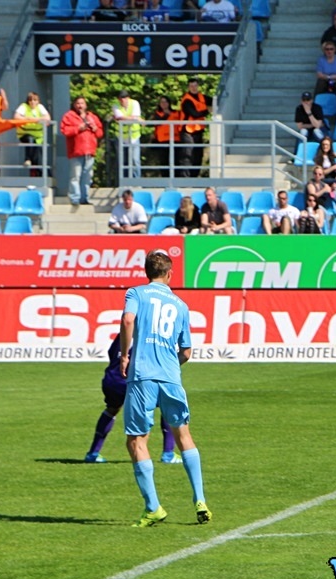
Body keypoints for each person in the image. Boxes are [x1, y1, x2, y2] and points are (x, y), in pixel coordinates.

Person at [120, 249, 210, 527]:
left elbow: (127, 320)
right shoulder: (180, 304)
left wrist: (125, 355)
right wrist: (170, 366)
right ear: (170, 274)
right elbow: (187, 351)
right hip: (171, 376)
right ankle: (200, 499)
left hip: (143, 374)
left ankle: (153, 508)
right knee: (183, 435)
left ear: (146, 272)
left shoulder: (136, 293)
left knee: (136, 440)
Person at [84, 333, 181, 464]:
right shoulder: (150, 335)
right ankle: (168, 454)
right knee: (168, 406)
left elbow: (111, 352)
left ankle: (93, 453)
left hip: (112, 379)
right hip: (134, 381)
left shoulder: (123, 334)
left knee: (112, 409)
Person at [60, 96, 103, 206]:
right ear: (74, 105)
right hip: (76, 151)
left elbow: (100, 133)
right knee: (75, 176)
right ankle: (75, 198)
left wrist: (95, 129)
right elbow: (64, 131)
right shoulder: (69, 116)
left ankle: (84, 198)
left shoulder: (92, 117)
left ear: (86, 105)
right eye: (78, 103)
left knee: (87, 177)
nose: (80, 106)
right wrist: (78, 128)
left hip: (90, 151)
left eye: (82, 103)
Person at [179, 78, 211, 178]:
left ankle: (195, 177)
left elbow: (214, 100)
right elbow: (195, 114)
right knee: (187, 155)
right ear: (188, 87)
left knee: (198, 155)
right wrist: (208, 110)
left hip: (198, 130)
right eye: (191, 86)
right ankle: (186, 178)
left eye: (195, 86)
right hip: (187, 131)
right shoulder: (186, 99)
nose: (193, 88)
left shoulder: (202, 97)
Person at [13, 92, 50, 177]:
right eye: (31, 100)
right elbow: (16, 117)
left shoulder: (40, 107)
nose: (33, 102)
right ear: (28, 101)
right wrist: (27, 119)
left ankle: (39, 174)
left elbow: (48, 118)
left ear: (38, 101)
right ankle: (27, 159)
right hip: (24, 133)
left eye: (35, 100)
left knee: (38, 156)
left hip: (38, 136)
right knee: (30, 140)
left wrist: (35, 119)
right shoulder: (23, 106)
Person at [113, 90, 142, 179]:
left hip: (134, 136)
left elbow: (133, 117)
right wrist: (133, 118)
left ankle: (137, 181)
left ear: (128, 98)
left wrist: (123, 118)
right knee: (123, 161)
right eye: (121, 98)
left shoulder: (135, 103)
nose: (123, 100)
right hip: (121, 137)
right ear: (118, 99)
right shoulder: (115, 105)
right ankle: (124, 181)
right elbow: (120, 117)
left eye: (125, 98)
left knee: (135, 160)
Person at [151, 96, 180, 176]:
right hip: (162, 141)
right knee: (164, 161)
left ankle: (176, 180)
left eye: (165, 102)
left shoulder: (176, 113)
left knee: (176, 161)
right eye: (161, 102)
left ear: (169, 103)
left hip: (175, 140)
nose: (163, 104)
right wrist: (166, 115)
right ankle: (165, 179)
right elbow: (156, 122)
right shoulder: (157, 114)